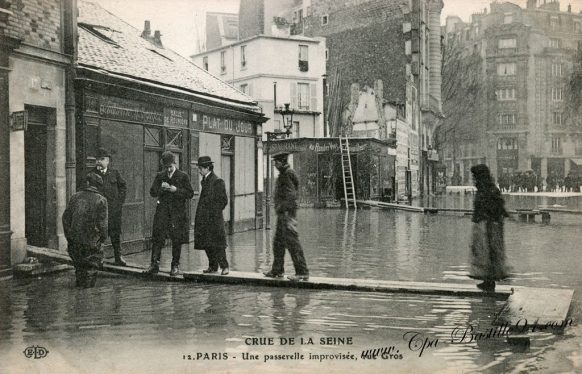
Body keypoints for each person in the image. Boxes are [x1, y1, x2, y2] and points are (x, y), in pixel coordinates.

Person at [144, 151, 194, 276]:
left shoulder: (183, 176)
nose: (168, 169)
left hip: (177, 214)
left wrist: (175, 190)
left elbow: (190, 193)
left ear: (174, 164)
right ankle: (154, 264)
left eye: (170, 167)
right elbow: (152, 192)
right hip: (162, 212)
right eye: (166, 167)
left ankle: (175, 265)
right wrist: (161, 188)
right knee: (157, 238)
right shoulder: (160, 176)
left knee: (176, 239)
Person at [264, 153, 309, 281]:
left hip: (287, 215)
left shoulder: (287, 174)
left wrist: (284, 211)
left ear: (282, 162)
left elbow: (290, 195)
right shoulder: (286, 174)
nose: (275, 165)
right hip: (283, 214)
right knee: (278, 243)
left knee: (293, 243)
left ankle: (302, 272)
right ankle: (277, 270)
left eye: (276, 162)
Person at [62, 173, 108, 288]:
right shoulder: (101, 200)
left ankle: (79, 300)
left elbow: (65, 218)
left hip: (75, 241)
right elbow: (102, 224)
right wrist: (102, 239)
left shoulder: (75, 197)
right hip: (91, 242)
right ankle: (86, 299)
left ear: (87, 183)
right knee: (90, 271)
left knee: (79, 269)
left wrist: (69, 235)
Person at [469, 164, 510, 292]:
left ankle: (489, 281)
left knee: (488, 251)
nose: (473, 179)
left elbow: (496, 206)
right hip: (486, 224)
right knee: (485, 251)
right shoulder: (486, 188)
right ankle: (488, 280)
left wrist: (487, 219)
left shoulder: (488, 190)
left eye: (474, 176)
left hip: (488, 226)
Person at [194, 156, 229, 275]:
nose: (199, 171)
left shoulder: (217, 181)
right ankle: (213, 266)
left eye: (200, 168)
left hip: (214, 219)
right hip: (204, 219)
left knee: (218, 244)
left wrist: (213, 213)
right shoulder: (204, 180)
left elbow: (223, 200)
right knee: (207, 243)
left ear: (207, 168)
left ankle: (225, 267)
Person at [93, 148, 128, 266]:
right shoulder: (91, 175)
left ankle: (118, 257)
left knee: (115, 234)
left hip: (113, 211)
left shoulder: (115, 173)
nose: (99, 162)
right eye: (97, 159)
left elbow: (123, 187)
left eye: (102, 159)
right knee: (98, 235)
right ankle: (99, 258)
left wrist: (119, 202)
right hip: (98, 212)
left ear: (108, 161)